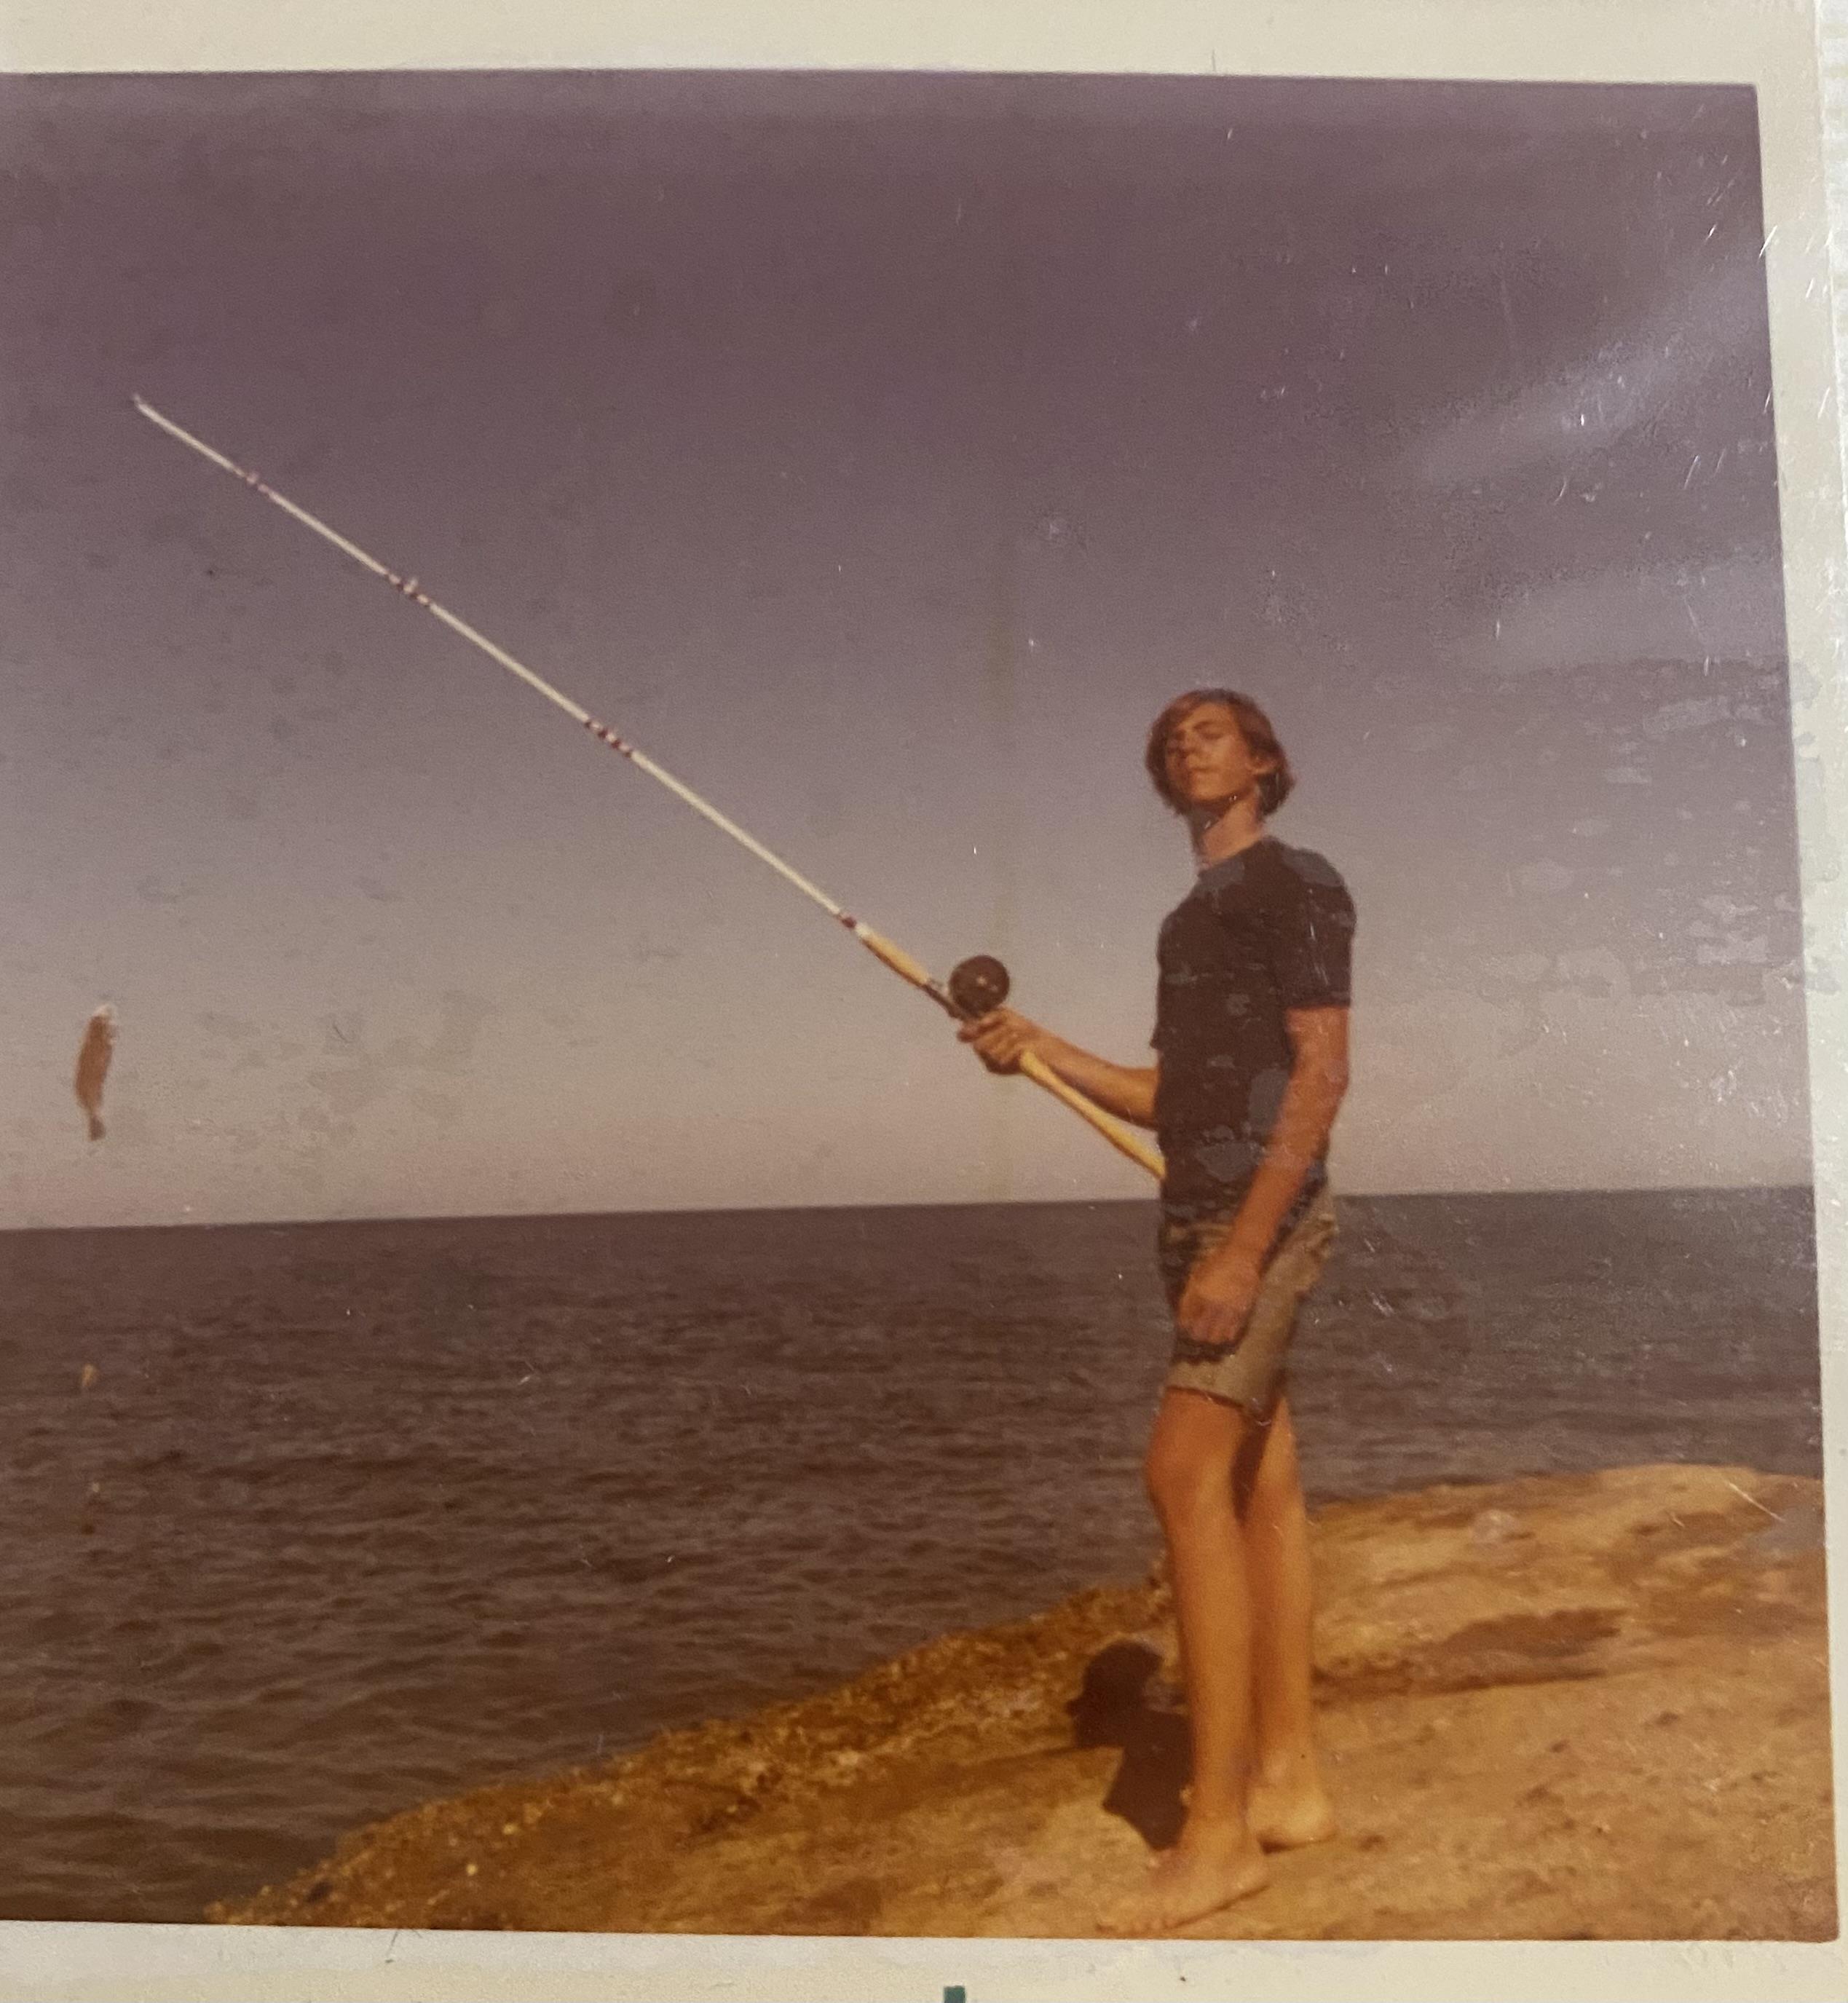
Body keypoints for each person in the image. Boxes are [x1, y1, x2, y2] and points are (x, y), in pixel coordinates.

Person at [959, 688, 1355, 1932]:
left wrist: (1244, 1244)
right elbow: (1167, 1095)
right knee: (1258, 1487)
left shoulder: (1296, 883)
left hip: (1260, 1219)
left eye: (1213, 730)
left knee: (1179, 1475)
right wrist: (1037, 1049)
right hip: (1193, 1212)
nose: (1188, 743)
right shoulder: (1188, 920)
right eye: (1172, 736)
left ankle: (1217, 1828)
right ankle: (1287, 1782)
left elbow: (1323, 1071)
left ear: (1263, 761)